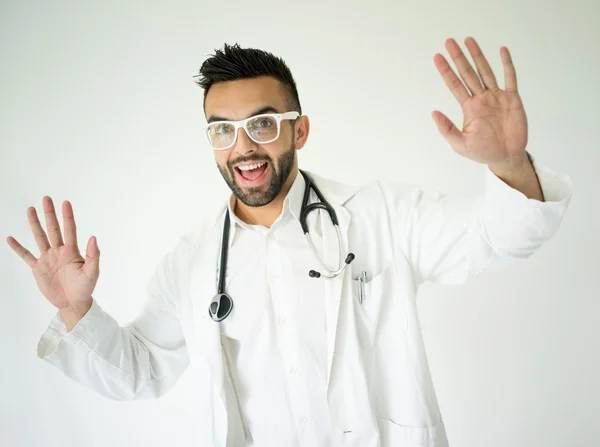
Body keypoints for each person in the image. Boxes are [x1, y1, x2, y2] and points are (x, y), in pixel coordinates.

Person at [7, 38, 572, 447]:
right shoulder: (192, 260)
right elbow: (144, 371)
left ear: (299, 130)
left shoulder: (378, 215)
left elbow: (491, 239)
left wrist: (507, 163)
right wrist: (77, 309)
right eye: (222, 130)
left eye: (263, 123)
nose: (243, 147)